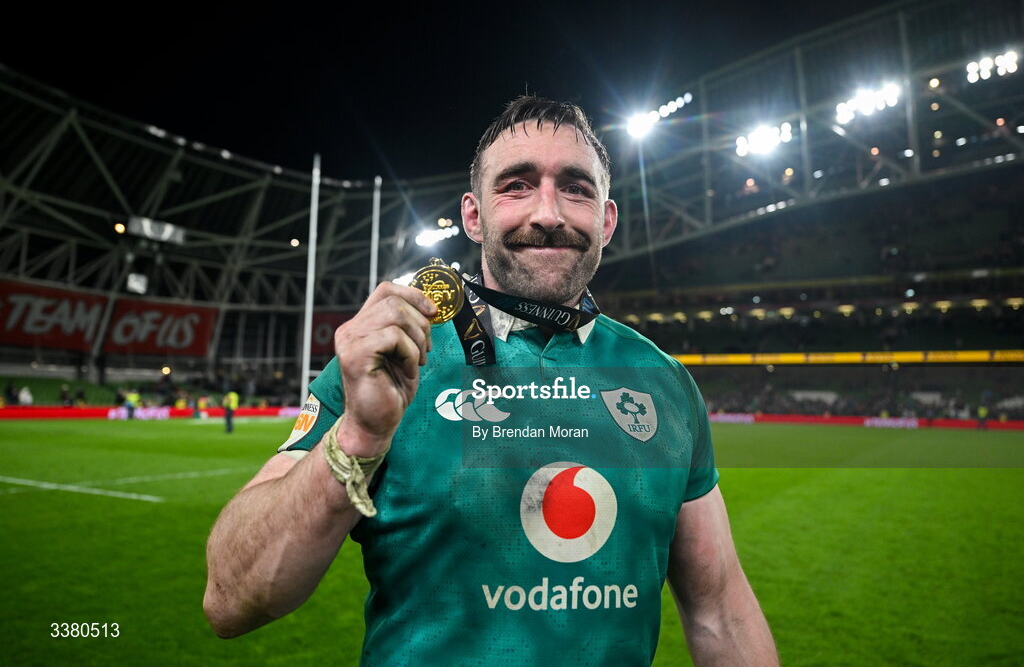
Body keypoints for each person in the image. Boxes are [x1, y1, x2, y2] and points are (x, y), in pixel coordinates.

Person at [204, 97, 778, 666]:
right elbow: (231, 600)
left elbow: (721, 613)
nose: (548, 213)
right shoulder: (390, 362)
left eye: (576, 188)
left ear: (606, 221)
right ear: (474, 216)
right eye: (517, 185)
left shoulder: (664, 382)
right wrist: (359, 436)